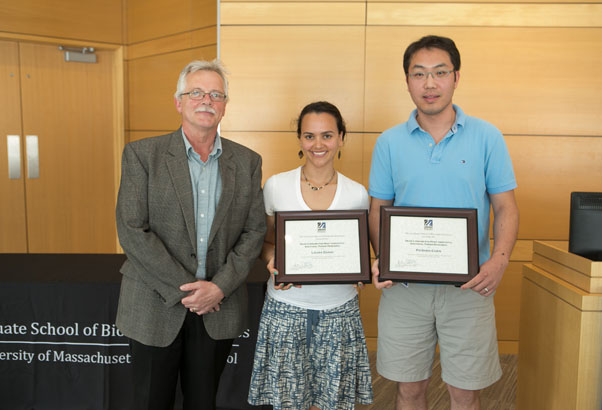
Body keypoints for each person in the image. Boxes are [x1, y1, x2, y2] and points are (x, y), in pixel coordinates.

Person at [368, 35, 519, 410]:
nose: (430, 83)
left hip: (469, 288)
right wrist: (382, 258)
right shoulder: (388, 143)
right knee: (409, 389)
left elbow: (506, 207)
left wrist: (499, 261)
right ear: (407, 81)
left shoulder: (487, 136)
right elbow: (378, 208)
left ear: (456, 77)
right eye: (419, 74)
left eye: (439, 73)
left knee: (465, 392)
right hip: (404, 288)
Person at [115, 59, 267, 410]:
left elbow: (253, 231)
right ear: (178, 102)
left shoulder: (247, 162)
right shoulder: (142, 155)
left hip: (217, 305)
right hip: (153, 303)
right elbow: (132, 230)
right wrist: (187, 291)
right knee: (151, 402)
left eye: (216, 94)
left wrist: (218, 288)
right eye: (196, 92)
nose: (206, 100)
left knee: (203, 402)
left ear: (225, 105)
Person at [248, 101, 374, 410]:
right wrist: (272, 258)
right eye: (309, 136)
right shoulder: (276, 186)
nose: (318, 145)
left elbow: (360, 253)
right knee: (289, 404)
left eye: (327, 135)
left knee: (332, 404)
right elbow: (264, 242)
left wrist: (361, 269)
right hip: (286, 310)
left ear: (341, 138)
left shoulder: (357, 193)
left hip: (339, 311)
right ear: (300, 139)